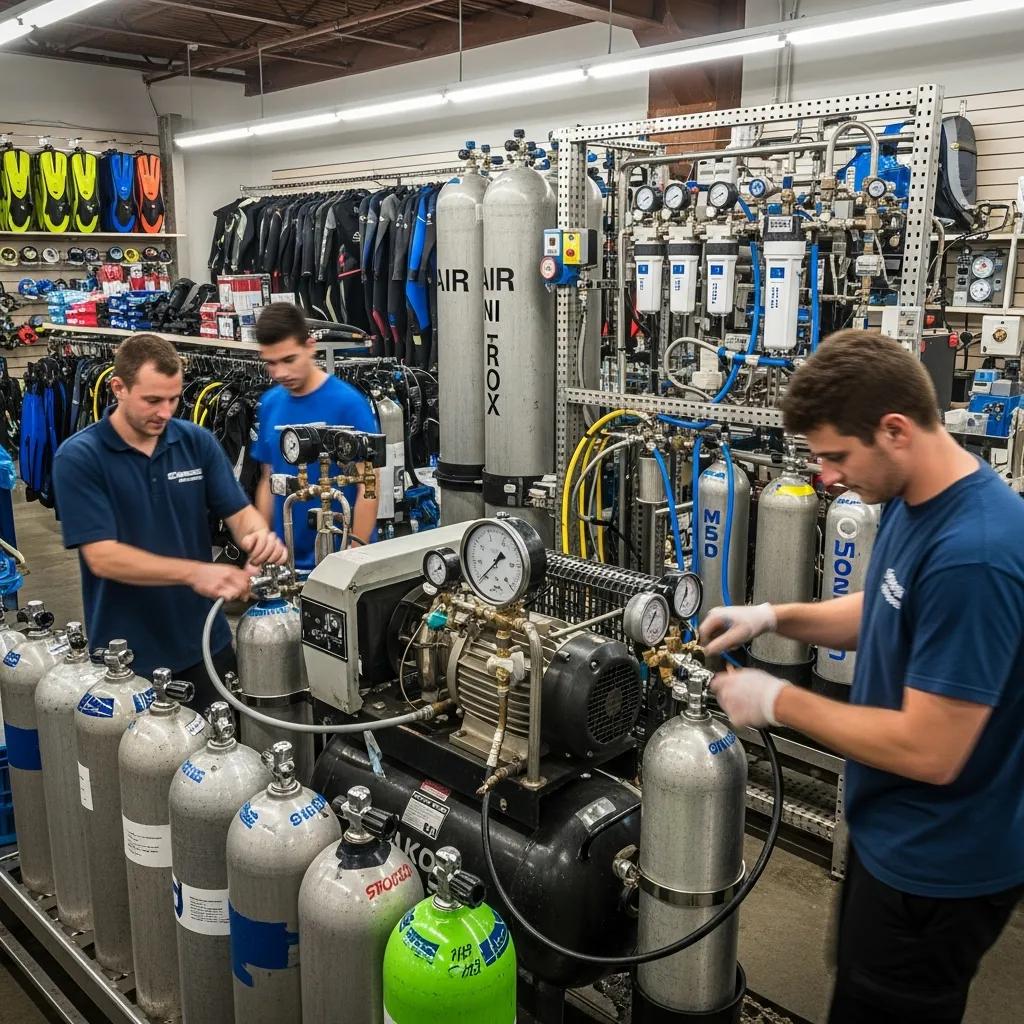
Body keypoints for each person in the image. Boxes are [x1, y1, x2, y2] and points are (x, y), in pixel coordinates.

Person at [701, 330, 1024, 1024]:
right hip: (891, 837)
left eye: (836, 456)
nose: (825, 477)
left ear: (895, 430)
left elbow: (930, 750)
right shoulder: (916, 495)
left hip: (937, 871)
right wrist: (772, 616)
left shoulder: (976, 553)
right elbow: (885, 607)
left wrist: (778, 700)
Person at [52, 333, 286, 708]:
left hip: (205, 645)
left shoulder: (196, 442)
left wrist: (258, 540)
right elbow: (103, 557)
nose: (165, 412)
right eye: (152, 400)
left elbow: (239, 513)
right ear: (118, 388)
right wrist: (196, 573)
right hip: (125, 659)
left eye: (173, 399)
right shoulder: (80, 457)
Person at [251, 302, 379, 571]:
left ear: (310, 346)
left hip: (338, 558)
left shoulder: (348, 404)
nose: (280, 373)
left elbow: (369, 486)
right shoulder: (270, 403)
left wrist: (353, 557)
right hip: (286, 562)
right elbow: (267, 479)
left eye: (289, 359)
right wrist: (262, 550)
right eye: (271, 363)